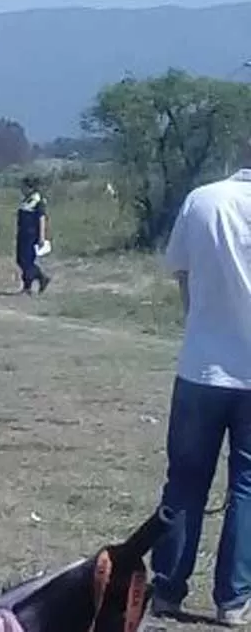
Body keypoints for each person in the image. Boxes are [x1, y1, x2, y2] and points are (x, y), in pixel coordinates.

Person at [149, 142, 251, 624]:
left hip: (203, 368)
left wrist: (202, 325)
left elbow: (182, 274)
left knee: (185, 482)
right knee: (248, 487)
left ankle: (167, 587)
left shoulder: (204, 199)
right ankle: (233, 600)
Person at [16, 175, 52, 295]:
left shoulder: (38, 200)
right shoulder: (26, 200)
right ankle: (32, 283)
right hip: (22, 234)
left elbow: (41, 218)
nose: (22, 189)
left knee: (27, 261)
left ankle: (38, 280)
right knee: (20, 260)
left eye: (24, 187)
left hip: (32, 235)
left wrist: (42, 237)